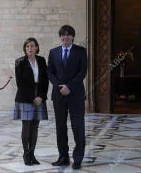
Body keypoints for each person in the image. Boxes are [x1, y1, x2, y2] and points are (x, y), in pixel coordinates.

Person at [47, 25, 87, 170]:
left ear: (73, 37)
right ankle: (63, 157)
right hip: (58, 95)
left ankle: (78, 159)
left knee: (78, 127)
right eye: (63, 35)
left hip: (75, 95)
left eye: (68, 35)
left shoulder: (81, 51)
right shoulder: (53, 52)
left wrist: (69, 87)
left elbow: (82, 72)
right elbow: (50, 72)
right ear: (60, 37)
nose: (66, 37)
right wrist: (60, 87)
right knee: (60, 127)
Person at [13, 37, 49, 166]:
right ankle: (26, 154)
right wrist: (31, 98)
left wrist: (41, 96)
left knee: (35, 126)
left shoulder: (41, 60)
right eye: (27, 46)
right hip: (25, 98)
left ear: (37, 48)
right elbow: (20, 83)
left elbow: (45, 80)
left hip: (39, 96)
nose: (30, 48)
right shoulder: (20, 62)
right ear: (24, 49)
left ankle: (32, 154)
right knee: (26, 126)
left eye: (32, 46)